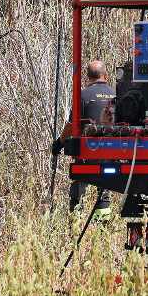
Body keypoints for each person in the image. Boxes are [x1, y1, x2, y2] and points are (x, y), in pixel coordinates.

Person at [55, 59, 116, 213]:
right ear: (105, 75)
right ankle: (102, 231)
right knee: (104, 193)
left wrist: (59, 143)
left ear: (87, 76)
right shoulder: (115, 95)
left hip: (86, 154)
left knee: (78, 191)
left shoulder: (82, 95)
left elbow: (71, 125)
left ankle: (75, 224)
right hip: (109, 153)